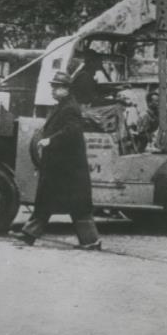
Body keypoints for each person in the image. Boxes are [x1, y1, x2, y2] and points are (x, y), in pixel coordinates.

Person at [12, 71, 101, 250]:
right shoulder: (63, 105)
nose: (52, 90)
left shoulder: (70, 108)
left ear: (65, 89)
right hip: (61, 166)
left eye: (56, 87)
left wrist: (50, 140)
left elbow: (72, 131)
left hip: (68, 167)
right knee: (48, 200)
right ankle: (29, 234)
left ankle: (91, 241)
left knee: (77, 207)